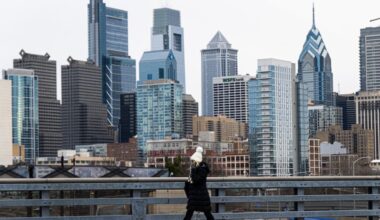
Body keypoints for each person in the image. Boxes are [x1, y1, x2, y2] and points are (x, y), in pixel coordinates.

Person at [184, 146, 214, 220]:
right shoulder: (202, 169)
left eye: (194, 161)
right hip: (200, 196)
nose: (192, 162)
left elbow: (195, 180)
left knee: (189, 215)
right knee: (207, 214)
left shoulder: (199, 170)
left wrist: (192, 171)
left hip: (197, 196)